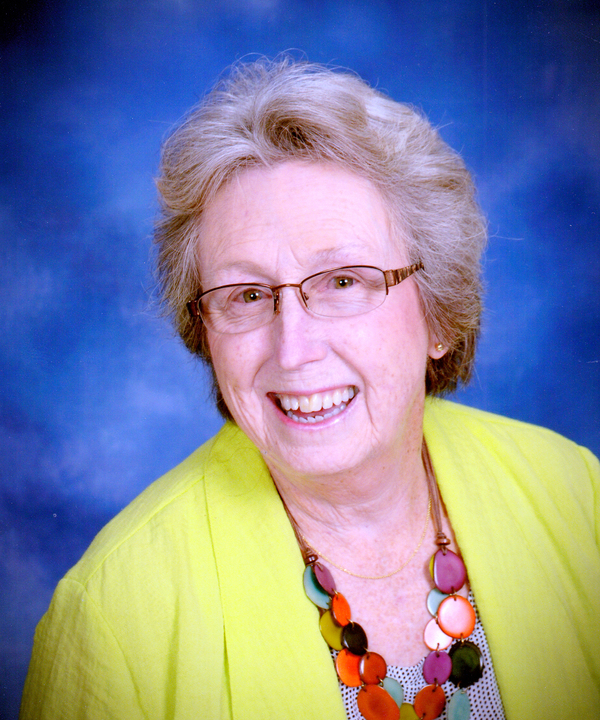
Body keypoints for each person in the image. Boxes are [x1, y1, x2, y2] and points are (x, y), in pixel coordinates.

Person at [21, 58, 600, 720]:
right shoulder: (113, 615)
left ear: (438, 314)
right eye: (246, 295)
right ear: (203, 329)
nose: (293, 350)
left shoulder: (577, 495)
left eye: (344, 282)